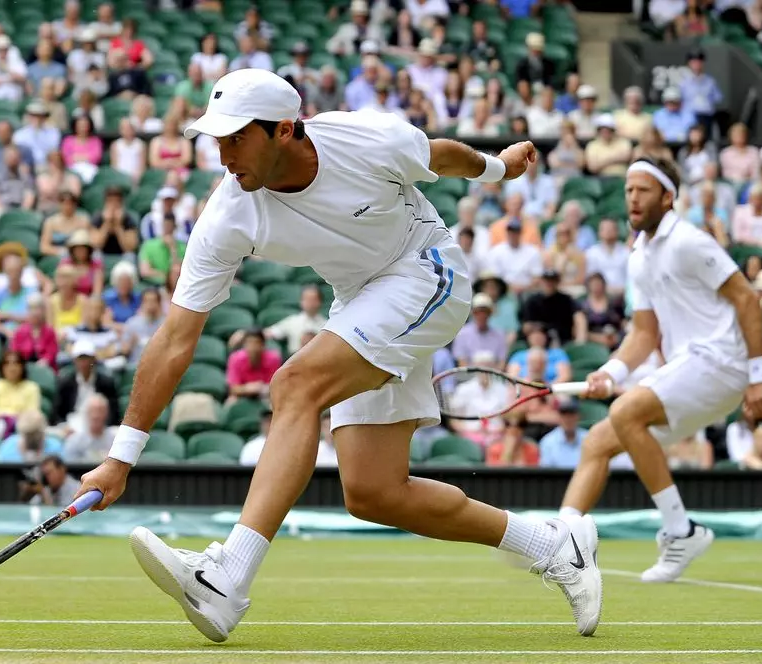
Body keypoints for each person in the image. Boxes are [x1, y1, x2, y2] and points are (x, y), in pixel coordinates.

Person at [71, 69, 601, 642]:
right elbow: (176, 338)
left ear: (284, 129)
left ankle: (227, 578)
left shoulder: (366, 138)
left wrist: (498, 168)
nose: (224, 156)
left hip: (427, 272)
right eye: (217, 140)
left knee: (295, 385)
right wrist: (120, 458)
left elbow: (443, 156)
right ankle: (556, 546)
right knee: (375, 493)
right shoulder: (228, 215)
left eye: (237, 138)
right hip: (359, 299)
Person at [558, 156, 762, 584]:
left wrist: (759, 375)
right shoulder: (638, 256)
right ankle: (559, 540)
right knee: (599, 440)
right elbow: (643, 333)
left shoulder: (690, 241)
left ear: (667, 197)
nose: (633, 198)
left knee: (624, 412)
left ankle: (681, 530)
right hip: (690, 369)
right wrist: (611, 372)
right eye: (628, 190)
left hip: (721, 361)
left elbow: (747, 299)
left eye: (643, 190)